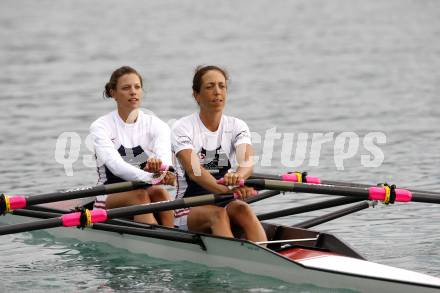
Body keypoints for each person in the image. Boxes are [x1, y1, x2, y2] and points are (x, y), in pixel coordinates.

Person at [171, 65, 267, 242]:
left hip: (224, 199)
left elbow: (246, 162)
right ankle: (236, 263)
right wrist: (230, 189)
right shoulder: (182, 128)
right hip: (188, 206)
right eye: (210, 87)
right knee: (218, 214)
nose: (217, 92)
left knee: (243, 209)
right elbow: (195, 172)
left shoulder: (237, 126)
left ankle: (267, 259)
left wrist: (238, 178)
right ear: (196, 95)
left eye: (221, 86)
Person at [90, 66, 175, 227]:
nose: (133, 92)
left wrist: (164, 170)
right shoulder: (101, 126)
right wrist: (154, 177)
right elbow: (116, 166)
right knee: (140, 196)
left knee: (160, 192)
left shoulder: (157, 125)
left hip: (146, 189)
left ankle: (171, 233)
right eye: (126, 88)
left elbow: (164, 157)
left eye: (137, 87)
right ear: (113, 93)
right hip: (109, 195)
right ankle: (158, 240)